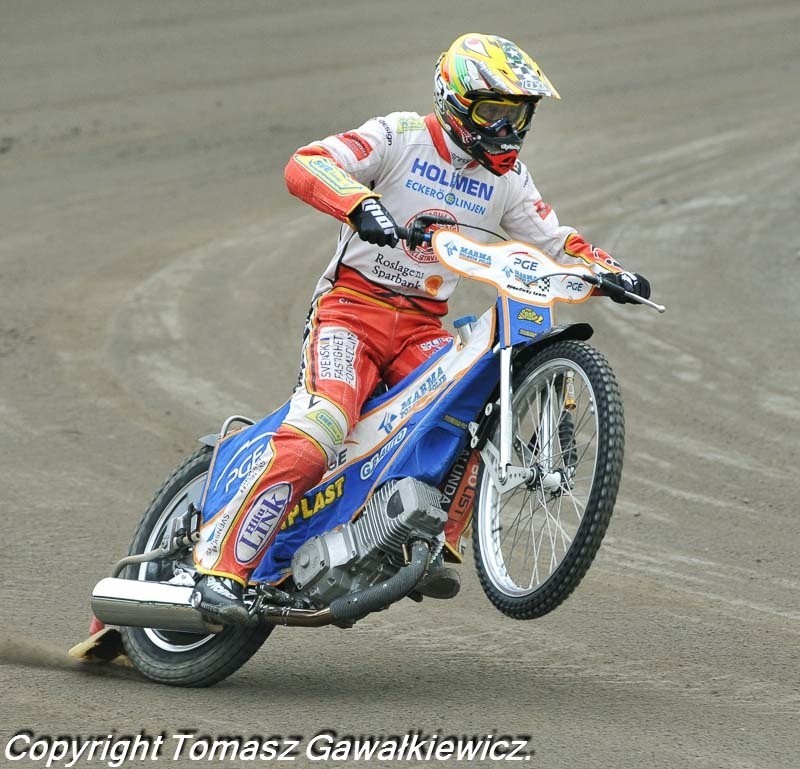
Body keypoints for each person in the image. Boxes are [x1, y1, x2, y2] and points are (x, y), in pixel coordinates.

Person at [190, 33, 651, 624]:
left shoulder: (508, 179)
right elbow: (307, 163)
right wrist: (359, 204)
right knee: (323, 426)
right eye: (494, 112)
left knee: (478, 397)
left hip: (421, 327)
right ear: (455, 101)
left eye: (518, 115)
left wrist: (608, 271)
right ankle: (220, 569)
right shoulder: (399, 135)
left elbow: (554, 241)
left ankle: (429, 537)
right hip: (350, 312)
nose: (507, 130)